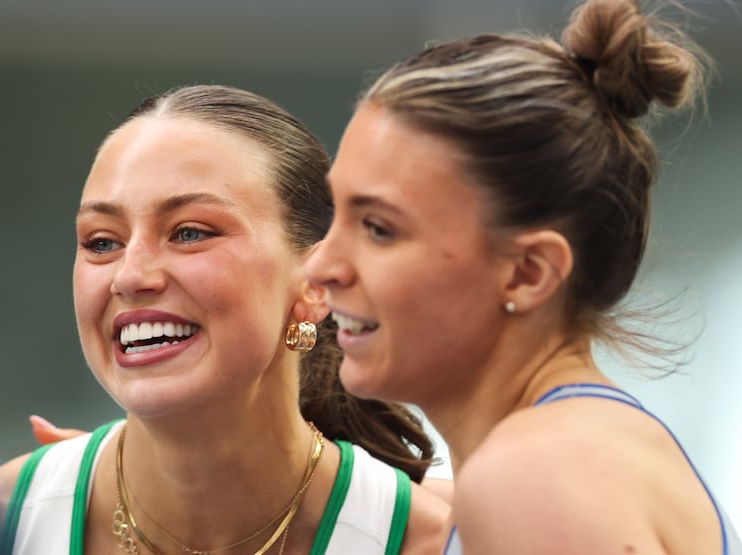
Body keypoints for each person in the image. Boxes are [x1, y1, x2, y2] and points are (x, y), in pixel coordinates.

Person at [305, 0, 741, 553]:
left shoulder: (534, 478)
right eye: (336, 211)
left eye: (379, 228)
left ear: (528, 273)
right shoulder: (583, 450)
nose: (322, 264)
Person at [0, 84, 449, 554]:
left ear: (315, 283)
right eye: (101, 242)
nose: (130, 276)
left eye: (190, 232)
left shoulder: (442, 541)